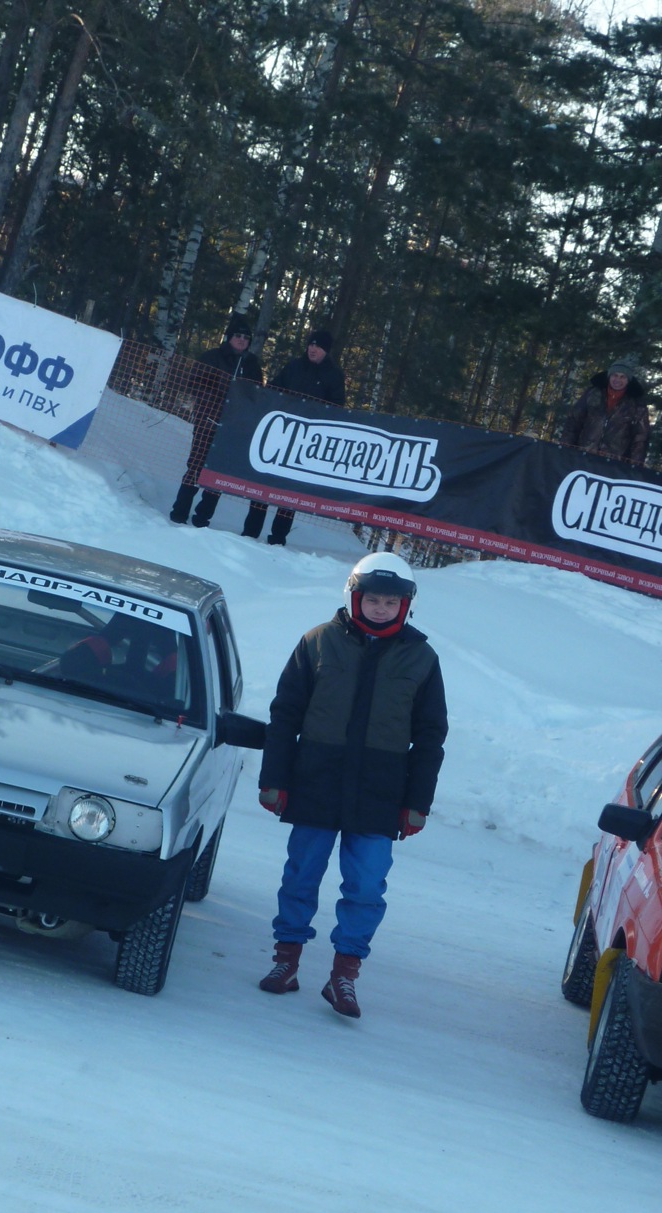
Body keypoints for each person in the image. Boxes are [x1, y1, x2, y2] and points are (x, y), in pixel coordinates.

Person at [256, 551, 448, 1019]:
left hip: (380, 794)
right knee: (301, 874)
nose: (380, 609)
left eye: (390, 602)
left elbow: (430, 737)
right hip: (315, 783)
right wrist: (274, 779)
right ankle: (287, 961)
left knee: (365, 886)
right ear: (353, 597)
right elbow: (285, 716)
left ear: (406, 607)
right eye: (373, 600)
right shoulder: (317, 643)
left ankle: (344, 975)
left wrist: (417, 802)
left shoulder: (422, 659)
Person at [243, 329, 347, 546]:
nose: (313, 349)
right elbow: (273, 389)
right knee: (265, 483)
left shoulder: (334, 376)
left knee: (289, 492)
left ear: (326, 351)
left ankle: (278, 538)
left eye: (318, 346)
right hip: (280, 434)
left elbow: (337, 409)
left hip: (306, 442)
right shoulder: (294, 367)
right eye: (311, 344)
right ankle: (250, 532)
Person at [169, 313, 264, 529]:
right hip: (208, 420)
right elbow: (194, 383)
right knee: (196, 467)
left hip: (233, 428)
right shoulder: (212, 357)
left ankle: (202, 518)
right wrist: (217, 394)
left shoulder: (251, 365)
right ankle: (179, 513)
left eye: (246, 337)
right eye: (238, 336)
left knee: (219, 473)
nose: (241, 340)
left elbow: (257, 395)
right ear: (229, 337)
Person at [559, 360, 651, 467]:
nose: (618, 380)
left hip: (613, 464)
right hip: (583, 455)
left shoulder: (637, 405)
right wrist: (565, 449)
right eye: (615, 375)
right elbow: (573, 422)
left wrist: (635, 466)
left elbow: (640, 438)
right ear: (609, 376)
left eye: (623, 377)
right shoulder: (592, 394)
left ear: (628, 380)